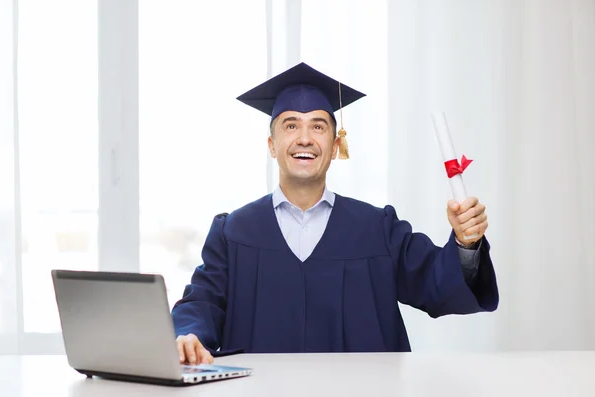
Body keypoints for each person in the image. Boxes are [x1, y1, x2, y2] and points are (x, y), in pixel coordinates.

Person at [171, 62, 499, 365]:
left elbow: (436, 282)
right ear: (271, 144)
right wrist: (187, 336)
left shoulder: (378, 229)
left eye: (318, 126)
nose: (304, 138)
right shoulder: (233, 232)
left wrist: (465, 243)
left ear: (335, 143)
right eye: (290, 125)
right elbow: (202, 302)